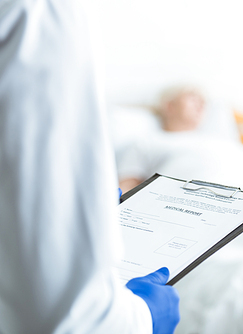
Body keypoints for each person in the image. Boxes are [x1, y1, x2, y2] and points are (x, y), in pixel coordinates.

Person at [0, 1, 179, 333]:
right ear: (166, 106)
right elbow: (68, 315)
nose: (195, 107)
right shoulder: (41, 11)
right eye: (185, 99)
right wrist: (143, 318)